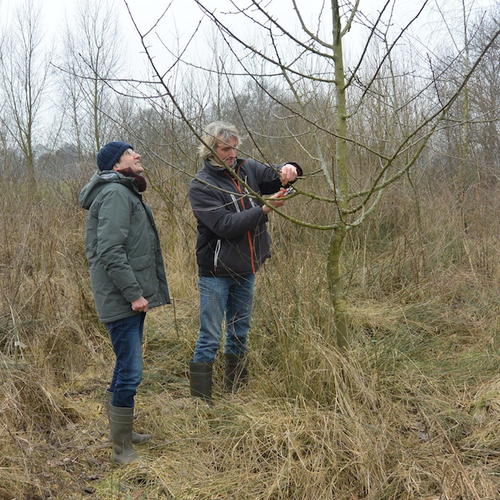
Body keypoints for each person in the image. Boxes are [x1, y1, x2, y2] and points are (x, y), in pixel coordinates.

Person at [188, 121, 302, 403]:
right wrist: (264, 208)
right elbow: (225, 225)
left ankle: (236, 391)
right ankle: (201, 402)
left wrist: (291, 169)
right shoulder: (201, 185)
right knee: (210, 336)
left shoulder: (247, 168)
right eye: (225, 148)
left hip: (247, 267)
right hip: (216, 271)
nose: (232, 154)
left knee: (240, 331)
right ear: (210, 150)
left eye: (235, 147)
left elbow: (277, 177)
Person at [79, 141, 170, 464]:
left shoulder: (123, 190)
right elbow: (111, 251)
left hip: (126, 297)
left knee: (124, 366)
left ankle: (124, 434)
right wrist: (134, 293)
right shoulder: (117, 193)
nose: (138, 155)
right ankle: (121, 451)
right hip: (122, 298)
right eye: (131, 153)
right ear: (117, 165)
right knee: (130, 371)